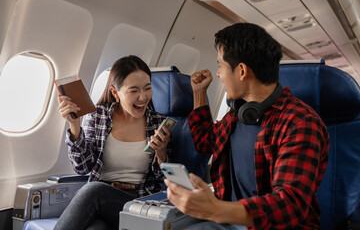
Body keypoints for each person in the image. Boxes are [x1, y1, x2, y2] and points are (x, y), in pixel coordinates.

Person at [164, 23, 329, 229]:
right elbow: (204, 141)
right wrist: (199, 93)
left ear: (241, 71)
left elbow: (290, 204)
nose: (218, 74)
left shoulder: (300, 122)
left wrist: (214, 209)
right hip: (229, 222)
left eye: (220, 66)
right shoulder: (237, 115)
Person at [55, 55, 172, 230]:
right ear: (115, 93)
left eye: (147, 88)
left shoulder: (159, 124)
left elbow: (165, 179)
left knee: (92, 191)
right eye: (134, 91)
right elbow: (82, 168)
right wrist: (74, 126)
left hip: (137, 203)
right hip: (102, 202)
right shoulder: (98, 116)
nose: (143, 97)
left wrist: (162, 153)